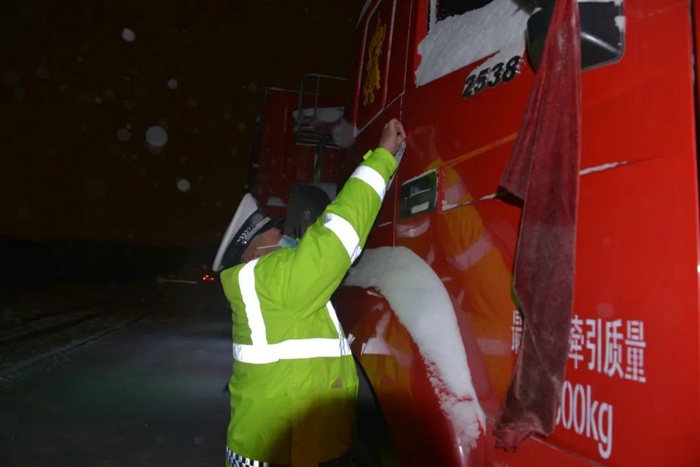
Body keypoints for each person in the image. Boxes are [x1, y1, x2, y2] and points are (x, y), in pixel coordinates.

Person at [212, 118, 406, 467]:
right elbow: (335, 237)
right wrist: (381, 159)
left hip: (277, 448)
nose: (288, 240)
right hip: (282, 454)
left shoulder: (263, 285)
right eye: (276, 237)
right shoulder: (269, 280)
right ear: (254, 254)